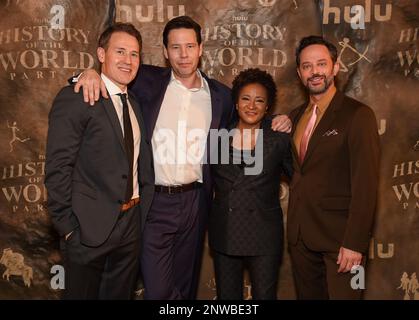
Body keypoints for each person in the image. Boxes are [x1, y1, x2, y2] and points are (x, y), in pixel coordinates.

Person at [72, 16, 291, 299]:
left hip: (196, 202)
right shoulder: (146, 80)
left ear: (201, 48)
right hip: (154, 202)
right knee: (159, 291)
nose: (184, 54)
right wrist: (87, 73)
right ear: (165, 52)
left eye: (190, 46)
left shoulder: (221, 96)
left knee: (184, 286)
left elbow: (248, 117)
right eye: (176, 47)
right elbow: (112, 76)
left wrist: (279, 121)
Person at [45, 23, 154, 299]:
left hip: (130, 227)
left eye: (134, 54)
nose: (127, 61)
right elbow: (58, 168)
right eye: (120, 51)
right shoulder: (78, 96)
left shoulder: (134, 103)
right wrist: (68, 229)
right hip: (87, 229)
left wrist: (138, 221)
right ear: (101, 54)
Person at [287, 35, 380, 299]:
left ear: (335, 67)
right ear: (299, 73)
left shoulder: (358, 115)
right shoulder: (295, 117)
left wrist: (354, 243)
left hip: (341, 242)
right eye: (307, 66)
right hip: (301, 239)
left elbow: (366, 185)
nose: (314, 72)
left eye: (321, 64)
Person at [208, 68, 293, 300]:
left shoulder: (278, 139)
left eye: (259, 100)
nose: (251, 106)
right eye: (245, 98)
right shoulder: (217, 137)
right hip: (226, 232)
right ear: (236, 103)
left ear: (268, 106)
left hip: (264, 235)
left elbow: (301, 176)